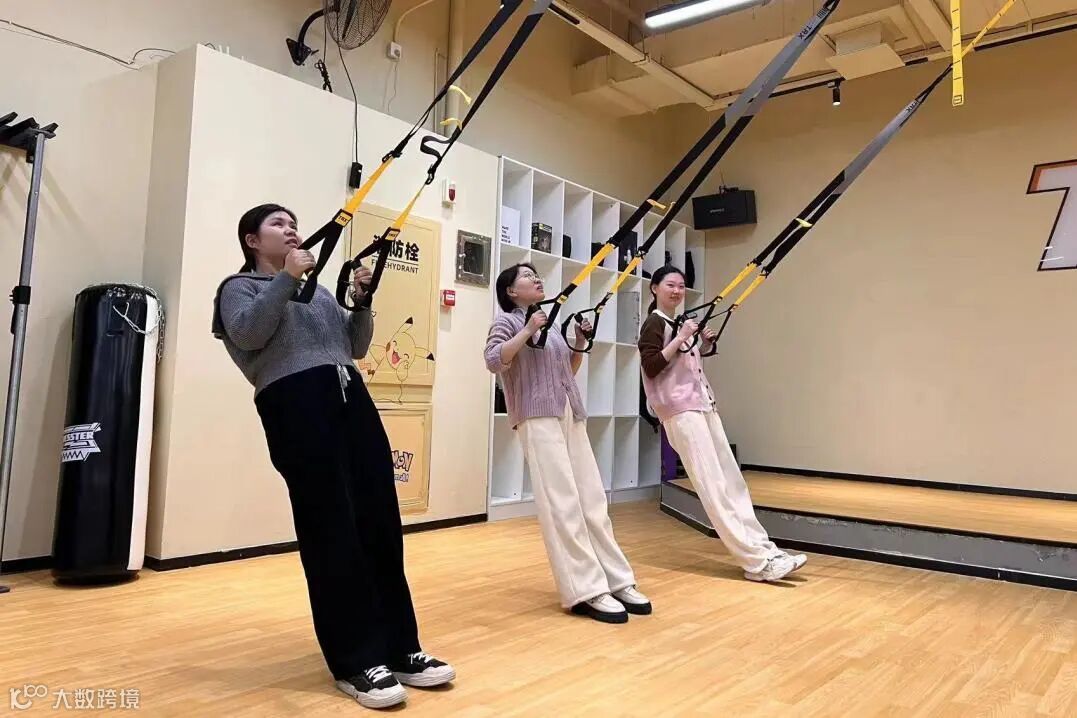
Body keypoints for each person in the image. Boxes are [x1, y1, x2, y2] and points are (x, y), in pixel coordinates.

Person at [211, 204, 454, 710]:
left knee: (380, 523)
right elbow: (249, 334)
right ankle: (355, 660)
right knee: (330, 529)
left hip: (350, 395)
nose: (291, 229)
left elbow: (355, 346)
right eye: (278, 224)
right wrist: (286, 279)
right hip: (294, 403)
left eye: (293, 223)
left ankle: (401, 647)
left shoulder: (318, 291)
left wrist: (361, 304)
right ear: (252, 240)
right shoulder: (239, 288)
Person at [484, 262, 651, 623]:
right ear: (511, 291)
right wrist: (528, 329)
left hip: (568, 411)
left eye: (536, 275)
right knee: (562, 502)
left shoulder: (549, 324)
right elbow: (494, 360)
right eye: (527, 276)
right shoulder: (507, 321)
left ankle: (616, 579)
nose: (536, 279)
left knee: (592, 498)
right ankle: (585, 588)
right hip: (536, 415)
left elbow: (566, 372)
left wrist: (578, 343)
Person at [638, 265, 807, 583]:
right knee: (714, 486)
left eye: (681, 286)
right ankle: (756, 562)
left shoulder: (677, 323)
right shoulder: (654, 323)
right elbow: (651, 366)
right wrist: (683, 338)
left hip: (703, 405)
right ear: (654, 288)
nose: (677, 291)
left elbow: (680, 364)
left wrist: (702, 346)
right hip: (680, 412)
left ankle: (765, 549)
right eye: (670, 285)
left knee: (732, 482)